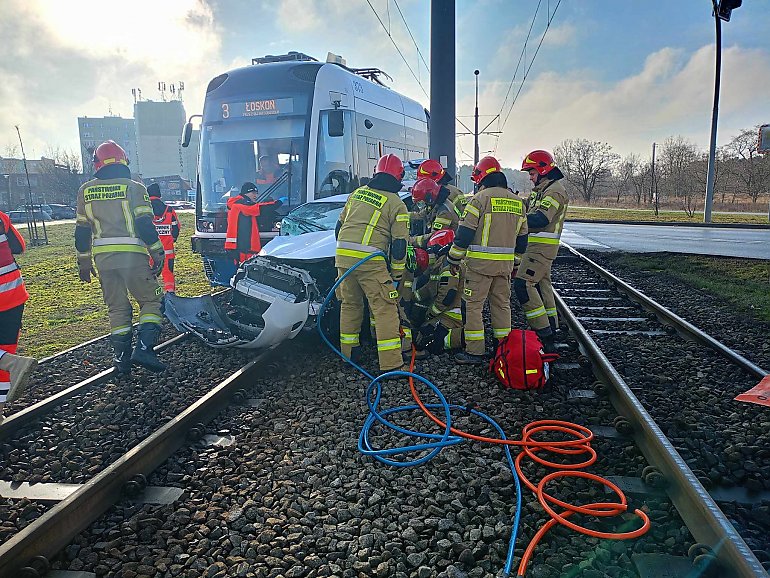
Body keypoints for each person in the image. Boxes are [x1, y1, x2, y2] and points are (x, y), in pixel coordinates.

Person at [75, 140, 167, 374]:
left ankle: (121, 360)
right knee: (151, 301)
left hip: (103, 260)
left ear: (97, 164)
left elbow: (82, 232)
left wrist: (83, 262)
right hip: (133, 257)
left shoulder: (85, 191)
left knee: (117, 308)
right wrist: (157, 251)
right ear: (124, 161)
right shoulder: (134, 187)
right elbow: (145, 223)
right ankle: (144, 349)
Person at [447, 156, 529, 365]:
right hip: (504, 267)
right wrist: (515, 264)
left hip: (479, 267)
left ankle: (475, 351)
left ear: (481, 179)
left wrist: (453, 259)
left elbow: (464, 234)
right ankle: (503, 350)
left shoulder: (479, 200)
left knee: (473, 307)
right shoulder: (517, 202)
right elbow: (522, 241)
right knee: (502, 306)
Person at [335, 154, 410, 373]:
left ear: (376, 173)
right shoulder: (397, 204)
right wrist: (396, 277)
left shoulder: (357, 194)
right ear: (399, 176)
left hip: (343, 257)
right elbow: (399, 246)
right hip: (370, 261)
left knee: (350, 305)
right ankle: (391, 365)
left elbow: (339, 228)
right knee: (385, 309)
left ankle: (348, 356)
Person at [514, 150, 569, 353]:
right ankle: (552, 326)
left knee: (523, 285)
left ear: (543, 169)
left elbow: (541, 219)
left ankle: (543, 332)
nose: (530, 177)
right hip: (537, 248)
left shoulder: (554, 191)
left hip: (540, 249)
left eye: (531, 172)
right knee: (543, 286)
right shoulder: (542, 190)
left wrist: (515, 220)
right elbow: (528, 208)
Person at [0, 210, 37, 422]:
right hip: (13, 294)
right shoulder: (1, 217)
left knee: (4, 358)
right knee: (4, 349)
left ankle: (12, 363)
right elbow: (19, 247)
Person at [413, 229, 463, 354]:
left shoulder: (449, 264)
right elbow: (430, 288)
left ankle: (464, 337)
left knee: (428, 340)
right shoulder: (440, 264)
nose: (430, 254)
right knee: (422, 332)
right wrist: (412, 298)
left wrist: (430, 314)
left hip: (454, 316)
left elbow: (447, 296)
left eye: (431, 250)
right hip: (447, 313)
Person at [224, 182, 280, 264]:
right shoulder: (243, 204)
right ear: (246, 193)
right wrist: (278, 203)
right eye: (253, 193)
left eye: (256, 193)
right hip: (244, 249)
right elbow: (260, 208)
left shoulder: (236, 204)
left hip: (236, 247)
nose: (256, 196)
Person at [409, 178, 461, 249]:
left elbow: (434, 237)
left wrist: (410, 241)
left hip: (447, 248)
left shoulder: (444, 212)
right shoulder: (436, 203)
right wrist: (404, 215)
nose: (421, 205)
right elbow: (420, 215)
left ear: (428, 197)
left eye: (421, 202)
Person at [147, 183, 180, 293]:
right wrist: (173, 238)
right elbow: (176, 227)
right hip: (167, 250)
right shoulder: (169, 210)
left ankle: (152, 294)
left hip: (149, 250)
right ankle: (170, 294)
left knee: (149, 273)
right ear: (159, 195)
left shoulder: (145, 210)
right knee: (168, 274)